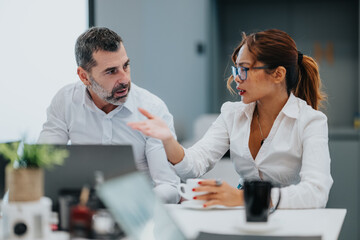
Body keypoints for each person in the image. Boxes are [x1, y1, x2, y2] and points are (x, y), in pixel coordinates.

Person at [128, 29, 333, 209]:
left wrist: (244, 197)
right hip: (243, 218)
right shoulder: (232, 114)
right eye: (236, 69)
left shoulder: (311, 121)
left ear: (278, 74)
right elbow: (194, 165)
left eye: (244, 69)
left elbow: (316, 193)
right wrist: (168, 140)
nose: (236, 77)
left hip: (291, 221)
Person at [38, 27, 180, 204]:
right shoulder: (65, 101)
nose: (124, 79)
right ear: (84, 77)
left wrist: (134, 204)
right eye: (111, 71)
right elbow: (42, 166)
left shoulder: (152, 109)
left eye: (126, 66)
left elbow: (169, 187)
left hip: (138, 213)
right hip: (81, 213)